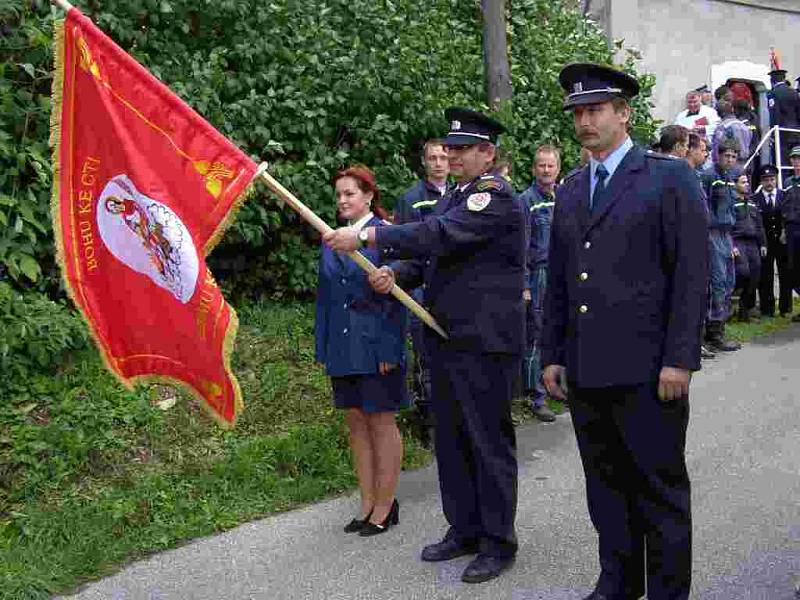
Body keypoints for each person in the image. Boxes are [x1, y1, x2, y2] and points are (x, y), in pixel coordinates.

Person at [323, 107, 526, 584]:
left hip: (484, 341)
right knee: (452, 439)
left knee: (487, 441)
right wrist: (399, 273)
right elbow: (434, 257)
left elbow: (438, 234)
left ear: (487, 153)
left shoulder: (492, 197)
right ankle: (464, 528)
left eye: (461, 150)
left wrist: (370, 234)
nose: (451, 157)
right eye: (449, 149)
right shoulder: (455, 195)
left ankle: (498, 541)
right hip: (444, 335)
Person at [543, 63, 708, 600]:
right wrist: (552, 354)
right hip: (588, 369)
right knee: (606, 489)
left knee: (658, 491)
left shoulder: (667, 176)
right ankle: (617, 581)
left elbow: (690, 274)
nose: (584, 121)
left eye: (595, 110)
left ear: (624, 114)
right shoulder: (571, 188)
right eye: (577, 112)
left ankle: (666, 592)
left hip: (648, 370)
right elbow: (562, 281)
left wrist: (679, 358)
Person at [315, 165, 408, 537]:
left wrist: (389, 347)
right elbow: (325, 298)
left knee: (380, 422)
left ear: (369, 196)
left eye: (349, 193)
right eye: (338, 194)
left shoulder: (385, 235)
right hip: (342, 347)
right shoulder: (330, 239)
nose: (342, 200)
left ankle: (387, 505)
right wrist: (323, 345)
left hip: (376, 347)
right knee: (356, 422)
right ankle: (367, 503)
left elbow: (399, 299)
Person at [394, 139, 450, 447]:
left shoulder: (459, 195)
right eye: (433, 158)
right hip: (419, 287)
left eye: (444, 157)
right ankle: (427, 420)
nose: (439, 163)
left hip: (449, 286)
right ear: (424, 162)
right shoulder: (411, 199)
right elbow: (403, 244)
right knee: (424, 355)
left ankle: (450, 419)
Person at [518, 145, 561, 422]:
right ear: (534, 169)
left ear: (558, 169)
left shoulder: (564, 197)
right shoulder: (526, 201)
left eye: (550, 166)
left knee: (558, 330)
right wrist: (524, 285)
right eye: (541, 166)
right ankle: (536, 397)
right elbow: (520, 247)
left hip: (561, 273)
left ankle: (556, 387)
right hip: (538, 275)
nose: (546, 170)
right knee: (536, 334)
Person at [701, 139, 742, 352]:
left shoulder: (729, 178)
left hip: (727, 235)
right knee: (717, 283)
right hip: (712, 234)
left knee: (729, 282)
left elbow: (731, 211)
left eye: (734, 156)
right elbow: (704, 207)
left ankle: (720, 328)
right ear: (718, 155)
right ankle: (712, 334)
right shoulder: (709, 176)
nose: (730, 160)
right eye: (727, 155)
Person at [754, 163, 791, 317]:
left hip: (782, 241)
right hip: (765, 243)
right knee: (765, 276)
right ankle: (767, 309)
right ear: (761, 181)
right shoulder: (755, 199)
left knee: (785, 274)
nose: (769, 183)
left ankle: (786, 307)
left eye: (772, 179)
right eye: (766, 179)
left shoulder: (784, 195)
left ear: (776, 179)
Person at [731, 173, 766, 321]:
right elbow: (728, 226)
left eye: (747, 182)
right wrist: (731, 245)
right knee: (743, 272)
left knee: (755, 274)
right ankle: (731, 303)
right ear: (736, 185)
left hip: (752, 243)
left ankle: (745, 311)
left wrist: (763, 243)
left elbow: (759, 225)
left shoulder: (752, 203)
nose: (747, 184)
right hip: (738, 242)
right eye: (743, 182)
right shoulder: (731, 203)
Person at [768, 68, 800, 168]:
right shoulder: (794, 92)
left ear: (772, 80)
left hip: (781, 134)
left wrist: (773, 133)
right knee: (795, 160)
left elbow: (774, 114)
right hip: (795, 132)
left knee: (782, 162)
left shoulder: (773, 93)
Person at [781, 165, 800, 322]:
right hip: (790, 228)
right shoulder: (787, 181)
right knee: (793, 268)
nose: (797, 162)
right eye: (794, 158)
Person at [711, 100, 751, 170]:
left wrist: (715, 162)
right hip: (745, 163)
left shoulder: (723, 127)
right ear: (732, 110)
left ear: (718, 113)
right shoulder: (745, 126)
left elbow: (717, 147)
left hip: (728, 163)